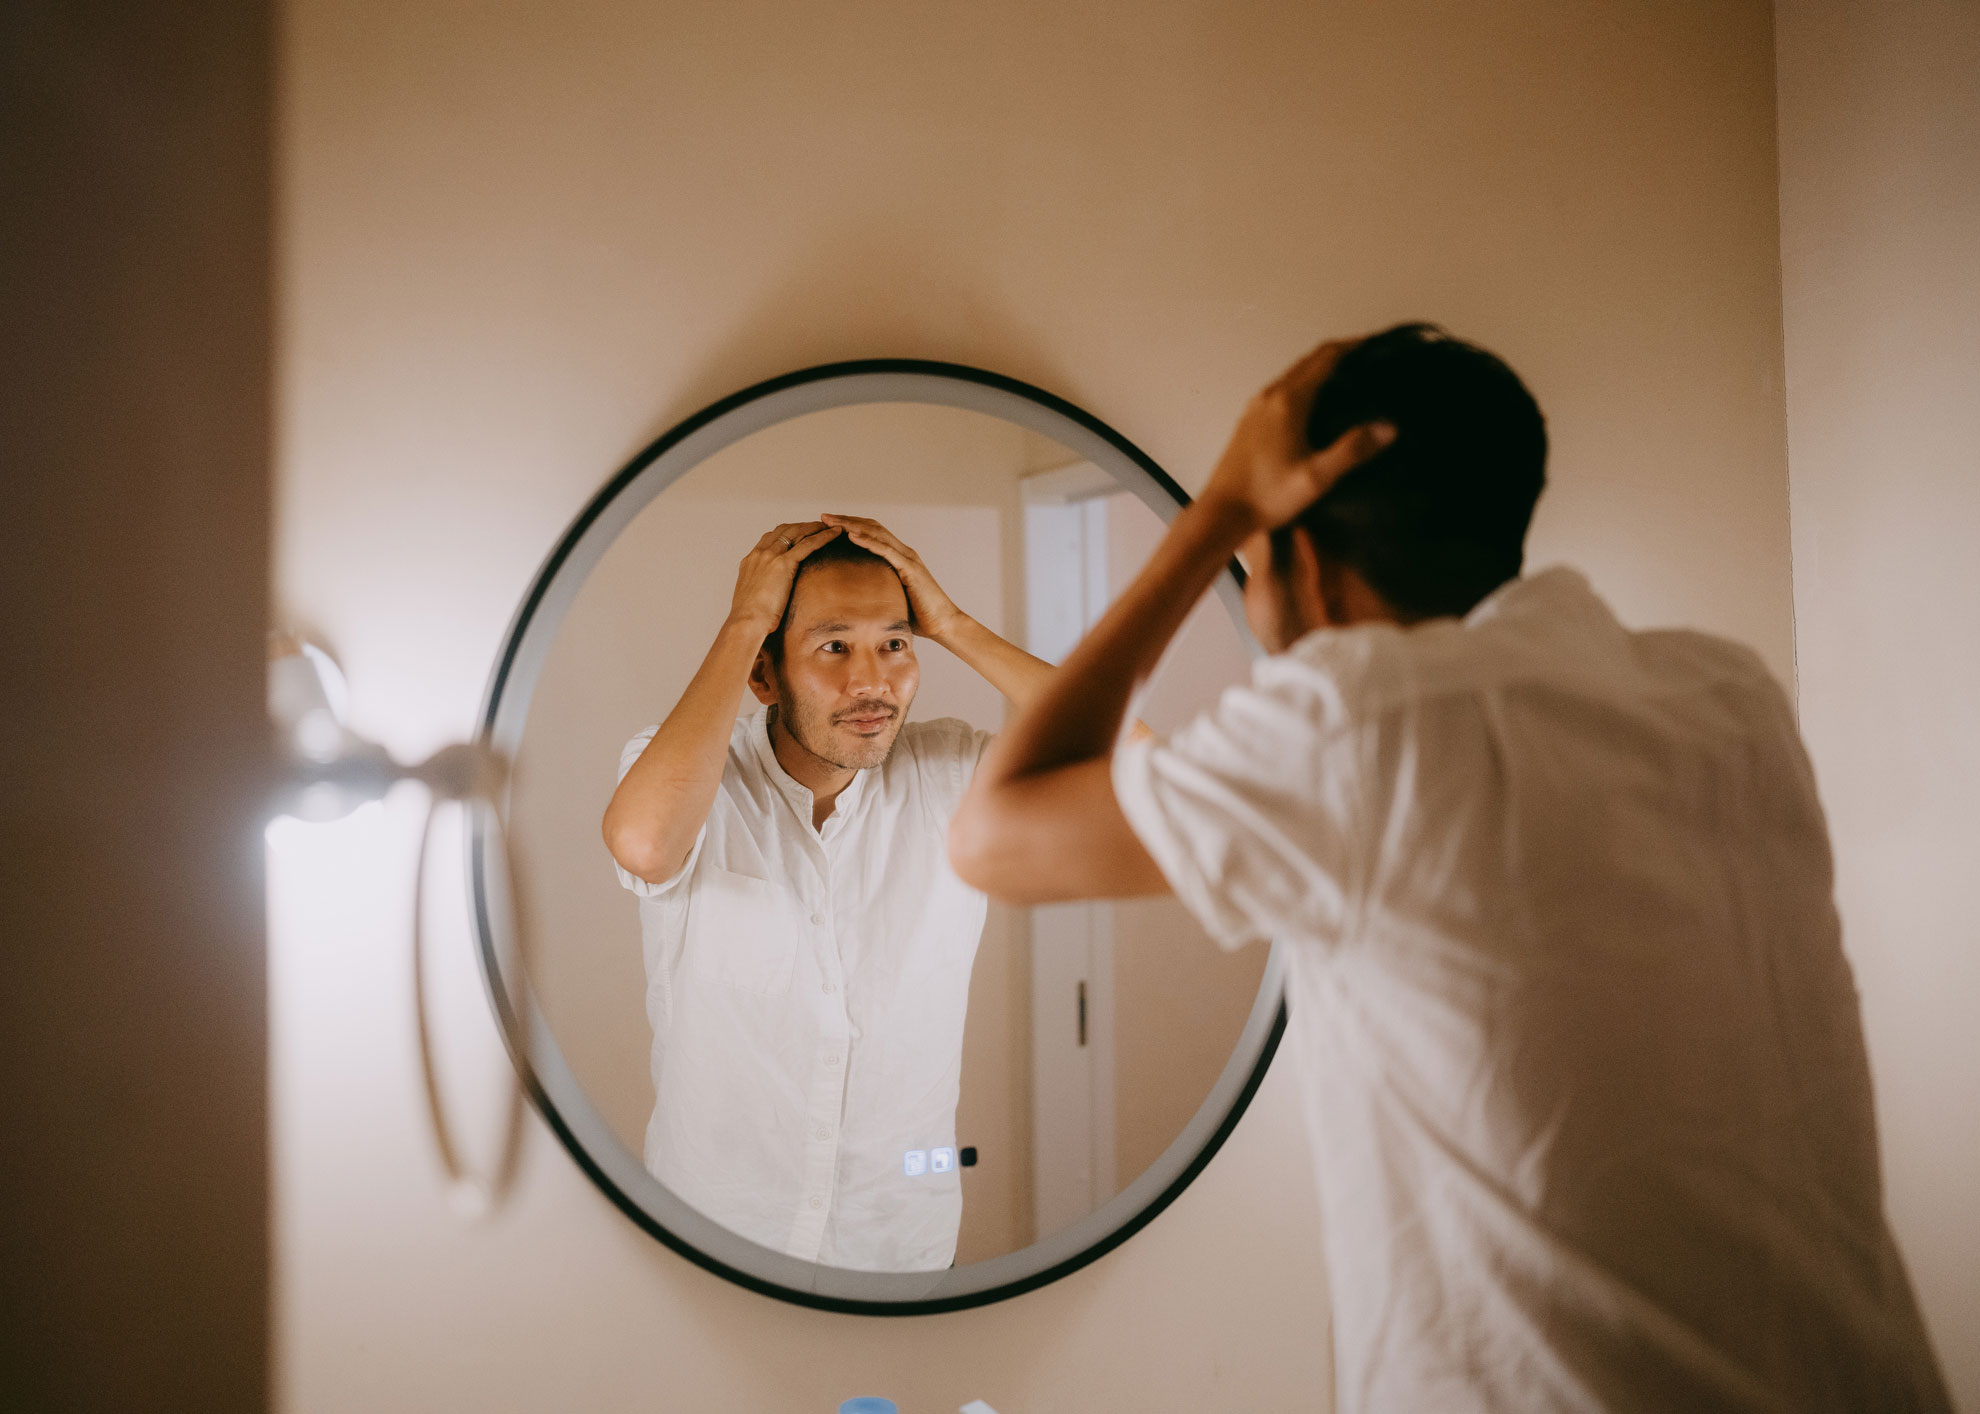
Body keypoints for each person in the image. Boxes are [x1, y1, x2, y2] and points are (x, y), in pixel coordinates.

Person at [948, 326, 1951, 1410]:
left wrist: (1217, 516)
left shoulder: (1357, 729)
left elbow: (992, 835)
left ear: (1308, 560)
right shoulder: (1724, 699)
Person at [602, 513, 1052, 1272]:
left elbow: (1138, 764)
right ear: (765, 672)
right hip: (711, 1237)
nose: (872, 681)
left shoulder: (954, 774)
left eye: (897, 644)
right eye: (834, 646)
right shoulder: (683, 772)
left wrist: (954, 623)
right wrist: (747, 619)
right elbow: (645, 846)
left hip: (900, 1239)